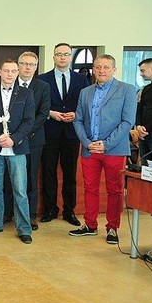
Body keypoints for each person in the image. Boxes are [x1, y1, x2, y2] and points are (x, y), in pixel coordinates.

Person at [70, 55, 137, 244]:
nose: (101, 71)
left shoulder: (127, 90)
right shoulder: (85, 92)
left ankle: (113, 228)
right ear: (93, 69)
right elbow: (78, 119)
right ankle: (90, 225)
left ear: (114, 69)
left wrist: (106, 144)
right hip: (90, 149)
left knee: (114, 190)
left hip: (114, 149)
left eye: (106, 67)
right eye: (98, 67)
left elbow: (127, 122)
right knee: (90, 188)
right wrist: (86, 142)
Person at [0, 59, 35, 244]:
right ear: (0, 72)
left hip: (17, 148)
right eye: (6, 71)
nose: (10, 74)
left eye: (13, 71)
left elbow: (29, 121)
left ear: (17, 73)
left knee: (20, 190)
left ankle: (24, 229)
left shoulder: (27, 94)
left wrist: (13, 138)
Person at [38, 43, 89, 225]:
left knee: (70, 174)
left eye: (66, 54)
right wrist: (50, 113)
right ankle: (50, 209)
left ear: (70, 57)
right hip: (49, 131)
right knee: (48, 172)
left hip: (71, 133)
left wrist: (76, 114)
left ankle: (69, 210)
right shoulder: (42, 79)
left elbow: (85, 104)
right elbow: (37, 105)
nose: (62, 57)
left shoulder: (81, 80)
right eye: (59, 54)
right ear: (53, 57)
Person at [3, 52, 50, 230]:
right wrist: (12, 137)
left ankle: (29, 215)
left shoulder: (43, 87)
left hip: (32, 140)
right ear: (18, 66)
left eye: (31, 64)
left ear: (36, 67)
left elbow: (43, 114)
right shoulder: (8, 84)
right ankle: (8, 212)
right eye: (24, 64)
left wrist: (21, 134)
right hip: (9, 140)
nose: (27, 67)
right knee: (8, 176)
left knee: (30, 177)